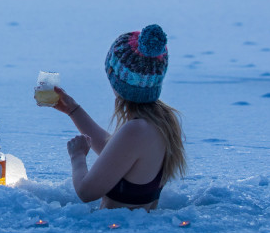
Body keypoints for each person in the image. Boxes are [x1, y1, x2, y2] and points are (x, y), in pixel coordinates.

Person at [52, 24, 186, 211]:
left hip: (117, 229)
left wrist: (77, 156)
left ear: (117, 79)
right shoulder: (161, 122)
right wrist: (73, 111)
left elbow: (86, 192)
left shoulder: (136, 130)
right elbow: (117, 154)